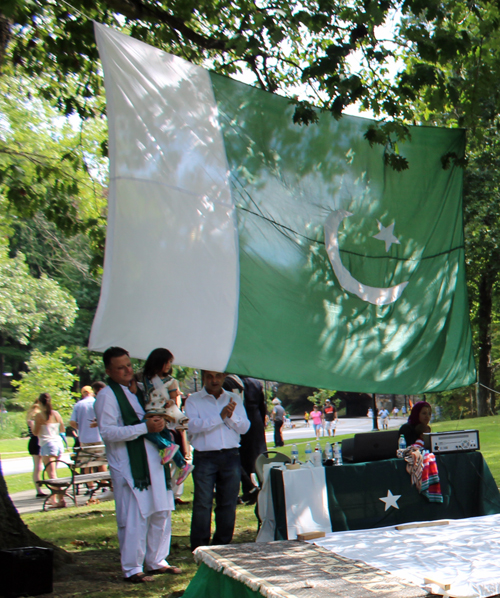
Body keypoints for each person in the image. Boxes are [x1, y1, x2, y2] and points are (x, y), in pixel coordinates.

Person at [94, 346, 181, 583]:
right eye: (120, 368)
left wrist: (163, 421)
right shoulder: (107, 396)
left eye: (129, 365)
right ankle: (132, 568)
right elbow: (108, 432)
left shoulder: (140, 389)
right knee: (136, 516)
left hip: (155, 459)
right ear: (109, 370)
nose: (127, 371)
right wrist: (145, 428)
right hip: (130, 465)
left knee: (161, 511)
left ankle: (157, 560)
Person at [185, 370, 250, 551]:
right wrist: (218, 417)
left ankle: (222, 544)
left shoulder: (233, 399)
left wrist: (231, 416)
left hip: (230, 455)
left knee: (228, 502)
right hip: (205, 456)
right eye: (209, 376)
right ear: (203, 377)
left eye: (218, 376)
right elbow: (192, 426)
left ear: (224, 377)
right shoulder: (193, 400)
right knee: (203, 502)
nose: (214, 380)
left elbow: (245, 427)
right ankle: (200, 545)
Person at [139, 348, 194, 486]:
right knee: (165, 443)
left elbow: (174, 400)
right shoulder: (145, 378)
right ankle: (182, 465)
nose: (169, 365)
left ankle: (169, 450)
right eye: (166, 362)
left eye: (170, 362)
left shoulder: (171, 381)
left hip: (160, 412)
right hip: (152, 410)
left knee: (144, 428)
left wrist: (172, 407)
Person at [33, 393, 66, 508]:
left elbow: (35, 432)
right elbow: (62, 429)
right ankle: (53, 499)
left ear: (40, 403)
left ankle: (61, 499)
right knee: (53, 472)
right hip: (58, 443)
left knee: (51, 474)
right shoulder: (56, 414)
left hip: (47, 444)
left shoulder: (39, 416)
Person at [26, 400, 46, 498]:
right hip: (37, 441)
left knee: (38, 467)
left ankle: (39, 489)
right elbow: (35, 432)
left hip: (35, 441)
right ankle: (39, 489)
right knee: (38, 467)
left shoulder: (30, 416)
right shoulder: (34, 417)